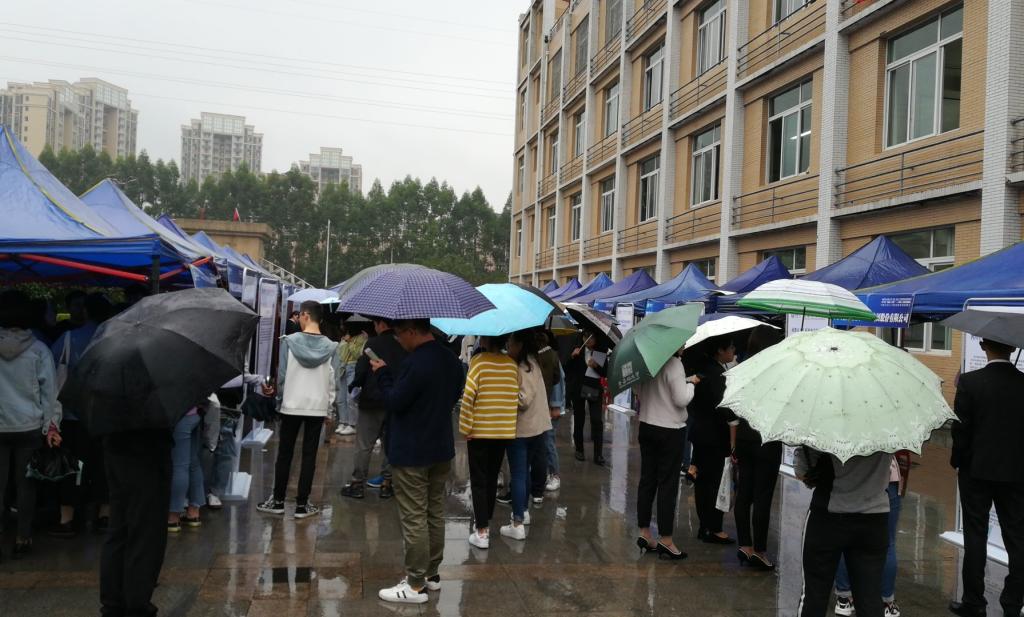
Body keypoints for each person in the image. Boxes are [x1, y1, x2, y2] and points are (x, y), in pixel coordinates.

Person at [369, 318, 463, 605]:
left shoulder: (416, 363)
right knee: (434, 512)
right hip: (440, 446)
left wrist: (383, 374)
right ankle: (432, 574)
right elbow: (451, 396)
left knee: (414, 517)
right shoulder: (451, 360)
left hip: (412, 450)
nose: (398, 340)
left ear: (412, 331)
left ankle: (415, 584)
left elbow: (395, 401)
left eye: (399, 334)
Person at [949, 338, 1024, 617]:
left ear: (982, 346)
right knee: (1017, 537)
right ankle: (1013, 603)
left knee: (975, 535)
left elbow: (961, 430)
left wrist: (958, 461)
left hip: (976, 472)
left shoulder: (969, 382)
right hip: (1016, 473)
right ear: (1013, 348)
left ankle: (974, 602)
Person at [257, 300, 339, 519]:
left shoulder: (288, 342)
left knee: (285, 453)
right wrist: (329, 410)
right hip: (317, 407)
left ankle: (278, 501)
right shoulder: (332, 347)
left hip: (291, 405)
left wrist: (279, 401)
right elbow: (333, 382)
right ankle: (302, 505)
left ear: (305, 315)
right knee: (310, 456)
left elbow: (282, 376)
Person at [0, 290, 61, 559]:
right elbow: (50, 393)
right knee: (26, 485)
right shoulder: (39, 350)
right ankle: (23, 537)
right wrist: (52, 426)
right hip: (29, 426)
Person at [794, 448, 891, 617]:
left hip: (828, 515)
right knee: (869, 598)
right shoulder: (889, 432)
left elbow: (802, 470)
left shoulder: (823, 431)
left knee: (814, 595)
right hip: (874, 517)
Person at [49, 292, 113, 537]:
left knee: (72, 465)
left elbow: (52, 366)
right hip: (105, 415)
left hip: (72, 414)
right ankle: (104, 515)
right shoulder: (114, 338)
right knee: (104, 465)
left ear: (85, 311)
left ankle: (67, 518)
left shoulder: (68, 338)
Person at [727, 325, 784, 568]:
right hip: (767, 441)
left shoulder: (741, 370)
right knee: (763, 496)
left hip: (744, 438)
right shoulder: (778, 374)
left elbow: (733, 407)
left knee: (744, 493)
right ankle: (759, 551)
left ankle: (745, 545)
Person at [634, 352, 699, 560]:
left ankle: (644, 532)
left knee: (647, 480)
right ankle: (666, 539)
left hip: (647, 425)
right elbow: (681, 399)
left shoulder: (647, 361)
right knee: (667, 484)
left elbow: (637, 390)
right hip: (670, 430)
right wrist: (691, 384)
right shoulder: (674, 364)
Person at [459, 335, 518, 549]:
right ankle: (487, 520)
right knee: (492, 477)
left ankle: (482, 530)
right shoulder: (511, 365)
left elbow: (468, 396)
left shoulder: (478, 362)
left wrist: (466, 427)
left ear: (485, 340)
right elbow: (514, 396)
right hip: (502, 432)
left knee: (479, 479)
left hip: (480, 431)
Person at [834, 452, 910, 617]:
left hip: (849, 477)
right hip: (885, 478)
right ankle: (886, 602)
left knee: (844, 539)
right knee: (888, 543)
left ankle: (844, 598)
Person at [341, 317, 407, 500]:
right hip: (394, 401)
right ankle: (387, 484)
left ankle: (357, 484)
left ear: (381, 324)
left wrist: (354, 385)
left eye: (375, 324)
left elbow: (361, 370)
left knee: (364, 445)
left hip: (371, 400)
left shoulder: (373, 343)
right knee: (389, 444)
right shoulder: (403, 343)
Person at [501, 330, 552, 541]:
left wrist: (505, 391)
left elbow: (523, 400)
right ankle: (523, 511)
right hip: (536, 428)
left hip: (523, 430)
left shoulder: (524, 366)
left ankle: (517, 522)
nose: (508, 347)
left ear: (520, 345)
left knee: (519, 474)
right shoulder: (533, 362)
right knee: (525, 472)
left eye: (511, 343)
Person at [688, 334, 736, 544]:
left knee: (703, 482)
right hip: (715, 436)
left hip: (700, 433)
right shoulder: (716, 374)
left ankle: (705, 526)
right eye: (730, 348)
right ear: (720, 350)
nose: (733, 351)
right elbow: (724, 407)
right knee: (714, 482)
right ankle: (713, 528)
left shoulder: (703, 369)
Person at [568, 330, 607, 466]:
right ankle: (579, 450)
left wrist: (596, 367)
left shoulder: (600, 352)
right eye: (586, 337)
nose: (589, 340)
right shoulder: (577, 350)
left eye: (592, 337)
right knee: (579, 419)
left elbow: (605, 372)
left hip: (594, 388)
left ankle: (598, 454)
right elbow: (567, 369)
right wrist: (572, 356)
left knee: (596, 420)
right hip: (578, 389)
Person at [168, 403, 206, 532]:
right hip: (195, 412)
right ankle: (193, 512)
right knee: (193, 462)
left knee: (179, 465)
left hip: (179, 414)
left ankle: (173, 517)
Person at [534, 329, 562, 497]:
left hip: (550, 407)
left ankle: (554, 474)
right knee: (543, 443)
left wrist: (556, 405)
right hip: (544, 406)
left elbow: (558, 381)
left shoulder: (551, 357)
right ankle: (547, 474)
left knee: (548, 442)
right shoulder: (544, 355)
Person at [335, 324, 367, 436]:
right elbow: (341, 354)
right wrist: (345, 341)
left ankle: (352, 424)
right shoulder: (345, 337)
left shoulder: (362, 337)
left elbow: (357, 354)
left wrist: (349, 343)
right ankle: (343, 421)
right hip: (342, 368)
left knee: (350, 397)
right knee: (341, 397)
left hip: (353, 367)